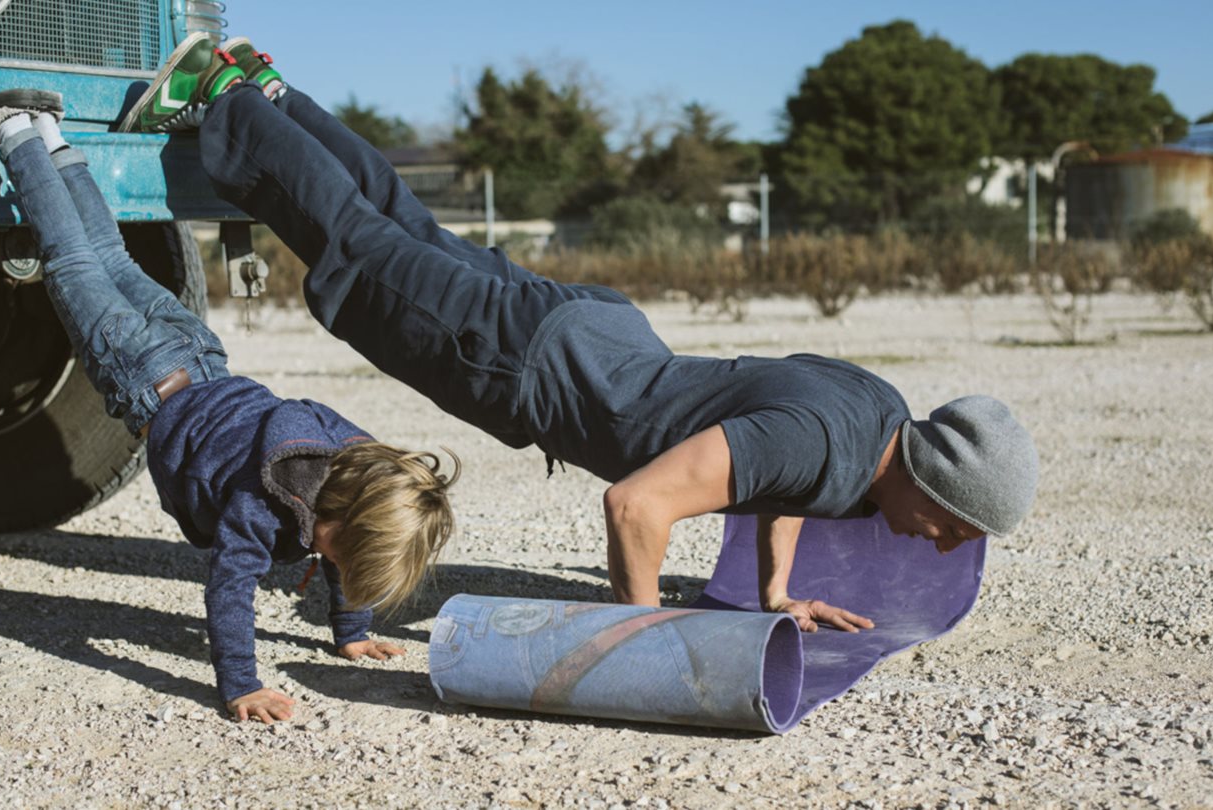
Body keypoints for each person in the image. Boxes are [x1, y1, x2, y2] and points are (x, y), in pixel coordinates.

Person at [121, 34, 1039, 633]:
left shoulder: (873, 414)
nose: (950, 546)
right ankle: (223, 98)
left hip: (587, 331)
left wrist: (772, 594)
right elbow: (637, 507)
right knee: (363, 255)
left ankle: (272, 92)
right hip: (529, 363)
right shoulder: (833, 448)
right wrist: (639, 639)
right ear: (928, 477)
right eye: (957, 527)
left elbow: (779, 475)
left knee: (400, 225)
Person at [0, 86, 459, 724]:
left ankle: (51, 136)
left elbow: (346, 557)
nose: (335, 566)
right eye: (342, 556)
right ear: (341, 517)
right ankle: (15, 132)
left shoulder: (355, 462)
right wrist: (241, 685)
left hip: (199, 354)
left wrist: (350, 632)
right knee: (69, 257)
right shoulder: (265, 502)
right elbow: (229, 591)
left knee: (110, 254)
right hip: (141, 371)